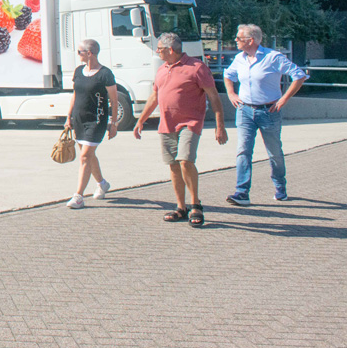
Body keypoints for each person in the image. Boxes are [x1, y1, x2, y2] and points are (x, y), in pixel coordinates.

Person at [133, 32, 227, 227]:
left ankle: (195, 205)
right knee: (174, 165)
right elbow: (154, 97)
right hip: (167, 124)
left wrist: (220, 126)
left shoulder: (196, 67)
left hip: (190, 123)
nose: (157, 51)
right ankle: (181, 207)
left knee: (185, 161)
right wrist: (141, 120)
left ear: (170, 50)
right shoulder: (162, 69)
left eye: (160, 48)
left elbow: (214, 96)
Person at [224, 24, 307, 205]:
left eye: (239, 38)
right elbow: (228, 75)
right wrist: (231, 93)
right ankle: (242, 192)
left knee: (274, 152)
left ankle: (280, 186)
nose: (235, 40)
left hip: (269, 111)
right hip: (244, 110)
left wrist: (284, 99)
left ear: (250, 40)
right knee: (243, 150)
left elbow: (299, 75)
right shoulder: (239, 58)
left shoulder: (273, 57)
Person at [63, 39, 119, 209]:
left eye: (79, 52)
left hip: (96, 120)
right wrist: (68, 117)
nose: (78, 55)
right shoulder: (78, 71)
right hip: (79, 119)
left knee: (85, 156)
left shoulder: (105, 74)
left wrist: (114, 123)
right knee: (88, 155)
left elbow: (114, 101)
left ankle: (78, 196)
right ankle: (102, 184)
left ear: (89, 53)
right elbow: (75, 95)